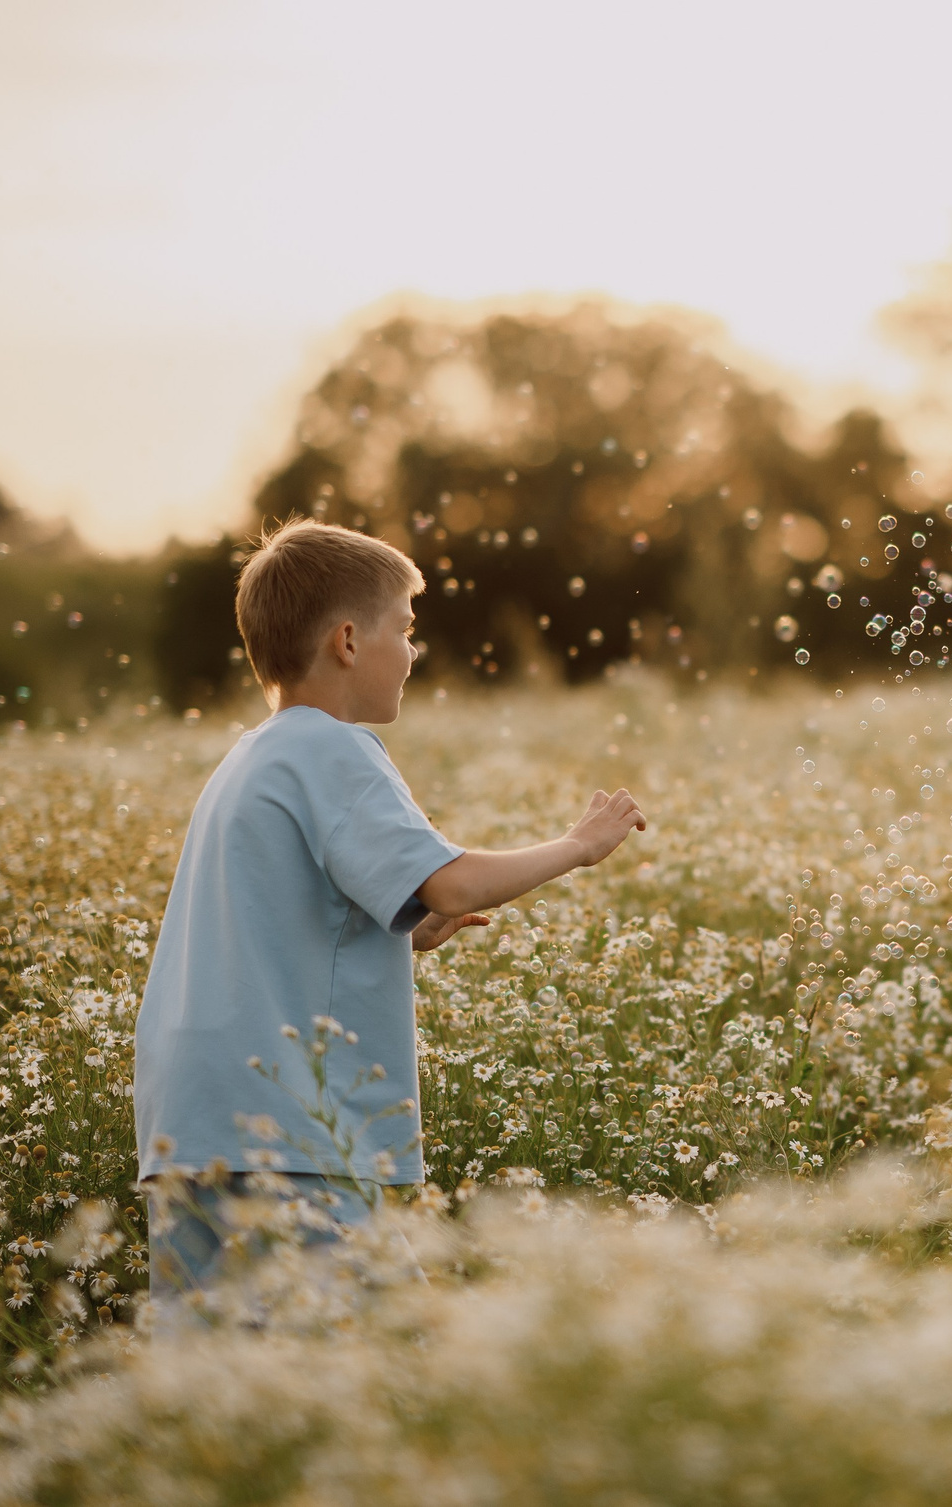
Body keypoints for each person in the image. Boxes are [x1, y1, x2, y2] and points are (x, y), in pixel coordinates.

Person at [133, 518, 647, 1300]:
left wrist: (404, 929)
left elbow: (273, 926)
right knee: (388, 1360)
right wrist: (578, 844)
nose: (413, 653)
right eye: (405, 632)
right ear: (347, 640)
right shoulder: (331, 747)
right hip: (282, 1122)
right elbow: (456, 881)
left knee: (223, 1378)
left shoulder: (251, 756)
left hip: (193, 1117)